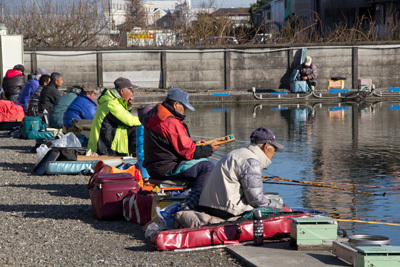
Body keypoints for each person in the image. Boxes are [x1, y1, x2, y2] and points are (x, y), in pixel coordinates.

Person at [142, 88, 219, 210]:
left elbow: (171, 144)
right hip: (165, 168)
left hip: (156, 166)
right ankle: (191, 206)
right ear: (176, 104)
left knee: (200, 165)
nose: (185, 110)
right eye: (184, 106)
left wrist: (194, 143)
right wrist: (209, 149)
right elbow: (189, 152)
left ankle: (187, 197)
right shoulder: (170, 121)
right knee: (207, 167)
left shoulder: (157, 116)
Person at [199, 127, 288, 219]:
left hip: (209, 205)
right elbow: (255, 200)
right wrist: (280, 207)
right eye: (275, 149)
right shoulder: (251, 162)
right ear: (266, 146)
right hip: (225, 210)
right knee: (279, 212)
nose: (274, 152)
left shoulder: (237, 153)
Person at [87, 77, 141, 156]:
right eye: (131, 90)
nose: (132, 93)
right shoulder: (111, 103)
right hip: (104, 148)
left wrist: (128, 107)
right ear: (122, 91)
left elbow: (120, 118)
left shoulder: (113, 101)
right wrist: (147, 119)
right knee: (138, 127)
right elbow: (128, 120)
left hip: (109, 144)